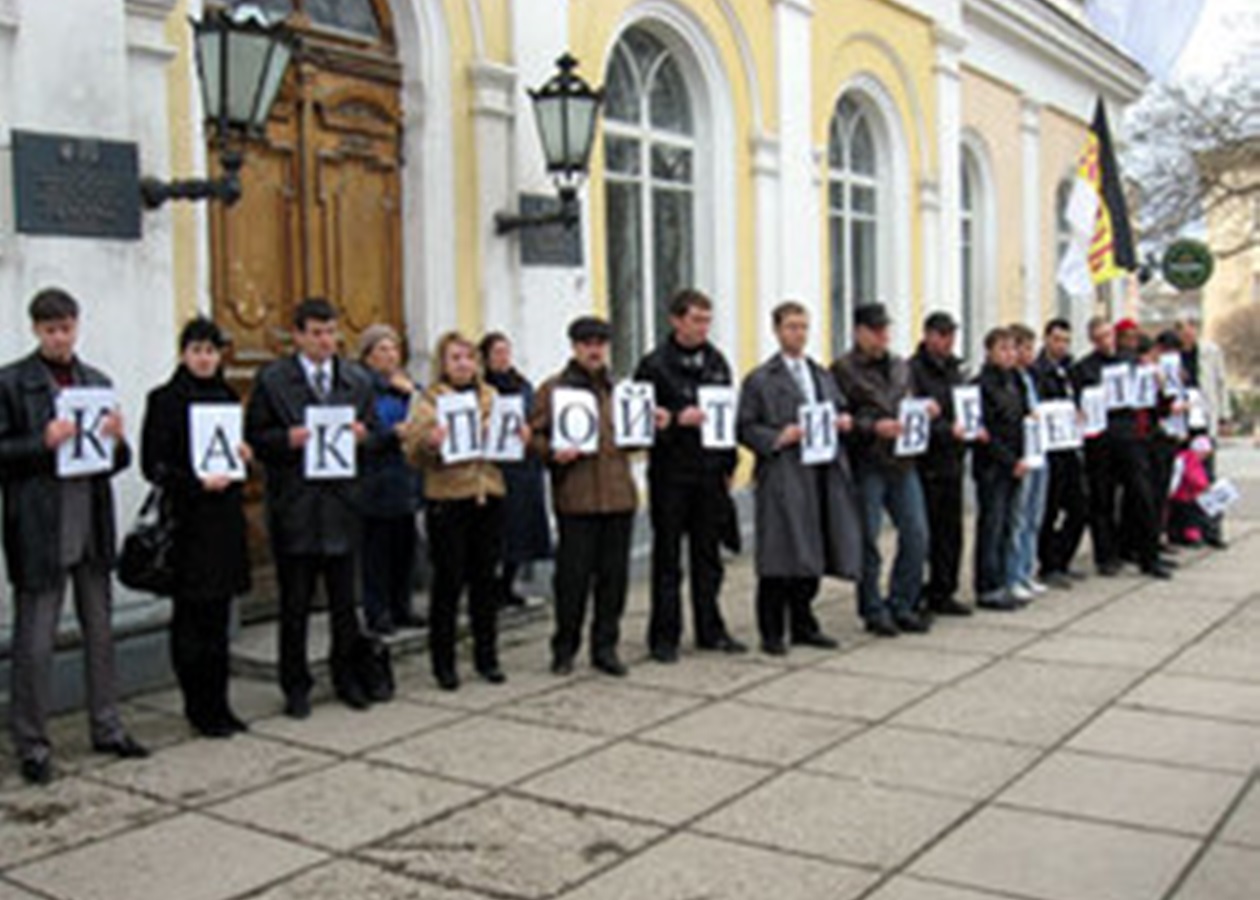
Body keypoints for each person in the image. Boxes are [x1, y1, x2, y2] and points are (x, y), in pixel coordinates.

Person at [0, 288, 148, 785]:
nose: (61, 337)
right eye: (51, 329)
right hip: (41, 523)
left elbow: (118, 461)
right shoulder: (12, 383)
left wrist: (118, 440)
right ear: (37, 330)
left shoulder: (95, 381)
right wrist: (41, 443)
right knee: (35, 640)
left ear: (77, 326)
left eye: (67, 327)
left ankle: (107, 725)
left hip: (91, 521)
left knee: (100, 631)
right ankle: (32, 743)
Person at [245, 298, 378, 718]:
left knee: (344, 604)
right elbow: (256, 438)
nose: (325, 341)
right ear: (299, 336)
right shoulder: (273, 380)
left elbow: (376, 435)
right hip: (296, 505)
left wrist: (363, 436)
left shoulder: (356, 379)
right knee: (295, 605)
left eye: (331, 332)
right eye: (316, 333)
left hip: (342, 504)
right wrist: (289, 439)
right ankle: (295, 685)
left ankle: (347, 677)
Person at [141, 317, 252, 739]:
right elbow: (153, 464)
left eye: (211, 351)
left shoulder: (226, 396)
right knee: (191, 620)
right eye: (197, 351)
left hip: (223, 522)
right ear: (184, 354)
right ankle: (197, 707)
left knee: (219, 620)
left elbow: (232, 456)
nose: (205, 359)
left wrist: (243, 455)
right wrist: (196, 481)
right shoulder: (164, 400)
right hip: (188, 522)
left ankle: (220, 704)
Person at [738, 302, 860, 654]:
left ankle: (804, 623)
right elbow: (744, 427)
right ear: (776, 330)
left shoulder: (820, 374)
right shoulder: (761, 379)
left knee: (814, 549)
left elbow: (837, 407)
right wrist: (778, 437)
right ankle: (772, 630)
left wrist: (842, 421)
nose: (799, 334)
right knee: (779, 553)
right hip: (783, 471)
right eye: (791, 327)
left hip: (821, 470)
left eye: (803, 327)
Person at [634, 289, 746, 662]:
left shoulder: (716, 362)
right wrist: (676, 422)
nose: (703, 327)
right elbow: (640, 423)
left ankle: (710, 629)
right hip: (671, 474)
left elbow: (726, 416)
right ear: (677, 320)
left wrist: (729, 465)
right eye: (696, 319)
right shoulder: (654, 365)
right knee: (667, 559)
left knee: (708, 558)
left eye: (707, 320)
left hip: (710, 473)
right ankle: (664, 637)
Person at [530, 316, 644, 677]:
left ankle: (605, 647)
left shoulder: (621, 389)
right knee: (572, 580)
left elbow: (634, 440)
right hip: (576, 499)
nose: (594, 350)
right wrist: (551, 452)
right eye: (587, 343)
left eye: (600, 343)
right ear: (575, 347)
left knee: (614, 580)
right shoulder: (553, 389)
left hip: (618, 497)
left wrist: (648, 424)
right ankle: (564, 647)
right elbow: (532, 437)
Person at [403, 332, 511, 691]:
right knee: (448, 584)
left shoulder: (491, 397)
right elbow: (414, 453)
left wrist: (516, 435)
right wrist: (430, 443)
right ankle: (444, 663)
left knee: (486, 582)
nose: (463, 364)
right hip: (449, 501)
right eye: (455, 358)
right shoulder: (429, 401)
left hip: (488, 496)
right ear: (443, 364)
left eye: (468, 357)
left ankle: (487, 656)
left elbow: (506, 443)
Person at [832, 303, 932, 637]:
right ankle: (873, 608)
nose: (882, 336)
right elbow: (841, 418)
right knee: (868, 540)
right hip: (868, 463)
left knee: (916, 533)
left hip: (903, 460)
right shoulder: (844, 369)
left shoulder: (900, 365)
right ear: (859, 332)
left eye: (885, 329)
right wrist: (873, 426)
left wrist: (925, 409)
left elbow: (910, 399)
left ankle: (903, 602)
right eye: (875, 330)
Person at [1071, 318, 1171, 580]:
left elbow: (1150, 400)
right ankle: (1106, 556)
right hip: (1100, 440)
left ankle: (1148, 555)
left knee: (1141, 494)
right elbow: (1079, 403)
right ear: (1093, 340)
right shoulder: (1083, 368)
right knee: (1101, 499)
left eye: (1109, 335)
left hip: (1130, 437)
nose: (1107, 341)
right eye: (1101, 337)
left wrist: (1158, 383)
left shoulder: (1130, 361)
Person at [357, 324, 426, 636]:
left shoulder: (408, 387)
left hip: (405, 480)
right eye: (382, 349)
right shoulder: (362, 389)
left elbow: (426, 416)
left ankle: (402, 606)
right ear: (368, 356)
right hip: (373, 481)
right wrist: (389, 434)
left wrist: (412, 393)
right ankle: (378, 611)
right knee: (376, 553)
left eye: (394, 349)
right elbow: (360, 435)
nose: (390, 355)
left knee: (405, 549)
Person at [908, 311, 974, 617]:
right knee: (926, 532)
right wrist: (946, 430)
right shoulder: (914, 371)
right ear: (929, 336)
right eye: (943, 335)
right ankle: (919, 590)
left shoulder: (954, 370)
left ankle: (944, 589)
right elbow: (914, 417)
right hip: (927, 460)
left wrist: (969, 428)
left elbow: (964, 407)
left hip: (953, 459)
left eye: (952, 335)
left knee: (952, 531)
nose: (948, 341)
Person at [480, 332, 552, 609]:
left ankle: (508, 584)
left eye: (506, 352)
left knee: (522, 529)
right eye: (497, 352)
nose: (502, 358)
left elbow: (536, 416)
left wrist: (530, 431)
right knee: (498, 531)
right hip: (496, 467)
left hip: (523, 466)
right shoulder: (483, 387)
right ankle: (490, 586)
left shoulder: (522, 385)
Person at [972, 327, 1028, 611]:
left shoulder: (1015, 379)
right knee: (991, 525)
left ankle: (1006, 579)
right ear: (990, 352)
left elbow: (1023, 419)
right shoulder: (982, 384)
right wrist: (1009, 461)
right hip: (994, 465)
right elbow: (985, 432)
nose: (1009, 354)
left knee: (1009, 524)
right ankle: (987, 585)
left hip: (1017, 461)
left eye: (1012, 348)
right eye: (1003, 348)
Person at [1034, 318, 1087, 587]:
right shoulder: (1038, 370)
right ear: (1047, 340)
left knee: (1079, 507)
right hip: (1051, 447)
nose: (1062, 346)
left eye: (1066, 340)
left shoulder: (1070, 369)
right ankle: (1048, 563)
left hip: (1070, 445)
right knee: (1050, 508)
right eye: (1057, 340)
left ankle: (1062, 558)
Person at [1178, 316, 1231, 548]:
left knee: (1207, 477)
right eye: (1181, 329)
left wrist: (1223, 415)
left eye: (1189, 328)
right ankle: (1189, 529)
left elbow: (1221, 383)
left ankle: (1213, 528)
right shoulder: (1173, 356)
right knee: (1185, 479)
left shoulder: (1210, 352)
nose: (1185, 334)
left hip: (1203, 421)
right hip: (1183, 423)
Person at [1006, 324, 1049, 603]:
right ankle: (1013, 574)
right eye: (1025, 348)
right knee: (1018, 517)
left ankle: (1026, 570)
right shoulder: (1012, 380)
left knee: (1034, 515)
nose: (1029, 353)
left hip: (1038, 450)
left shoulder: (1030, 377)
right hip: (1023, 451)